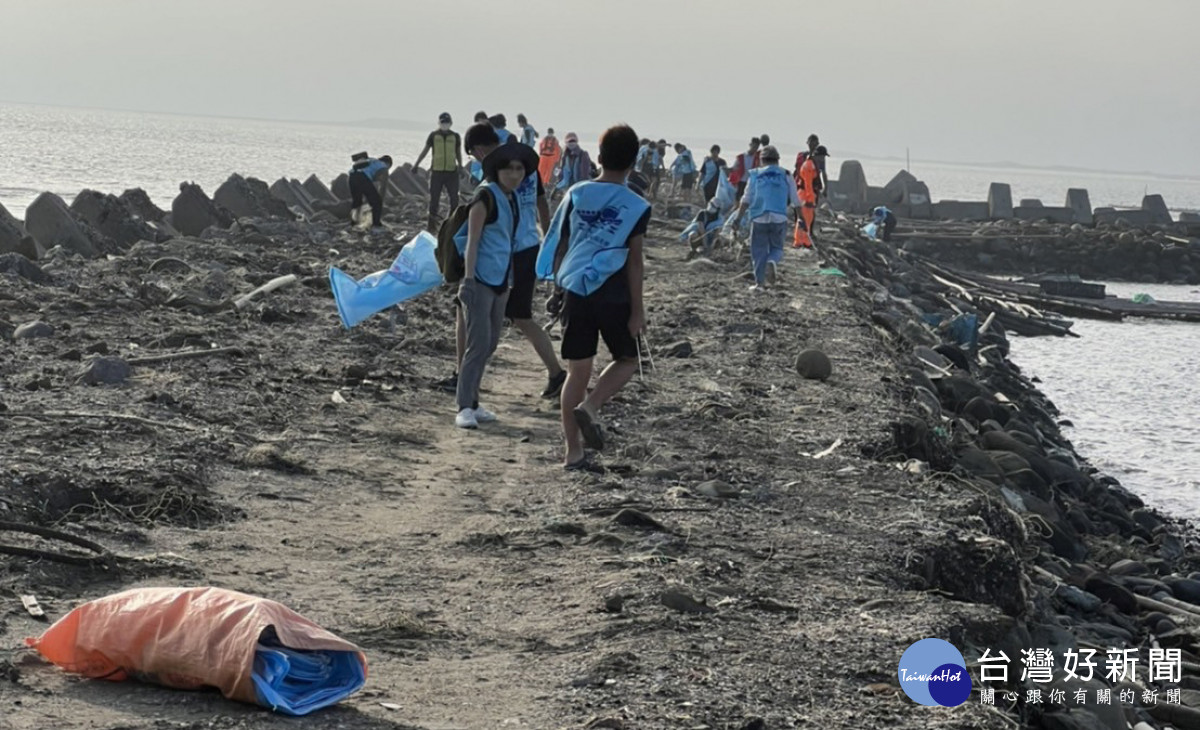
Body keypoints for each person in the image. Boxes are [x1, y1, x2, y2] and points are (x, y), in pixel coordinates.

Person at [537, 124, 651, 470]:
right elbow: (634, 262)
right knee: (628, 360)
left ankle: (573, 453)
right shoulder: (637, 205)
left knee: (577, 372)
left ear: (598, 158)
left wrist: (557, 287)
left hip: (576, 290)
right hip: (613, 293)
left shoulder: (577, 193)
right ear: (633, 163)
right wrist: (638, 310)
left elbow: (561, 244)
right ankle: (591, 406)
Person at [450, 125, 532, 429]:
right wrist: (468, 282)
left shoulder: (511, 198)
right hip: (480, 279)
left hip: (502, 281)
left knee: (491, 343)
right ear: (497, 170)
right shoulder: (485, 197)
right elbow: (472, 241)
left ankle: (474, 400)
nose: (514, 174)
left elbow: (508, 242)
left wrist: (509, 281)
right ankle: (463, 406)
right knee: (477, 344)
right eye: (509, 168)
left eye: (519, 168)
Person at [507, 137, 567, 399]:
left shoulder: (506, 180)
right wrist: (547, 240)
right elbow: (543, 207)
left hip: (514, 251)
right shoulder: (531, 176)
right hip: (530, 245)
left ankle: (556, 373)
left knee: (518, 316)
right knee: (518, 316)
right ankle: (555, 373)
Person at [725, 145, 799, 292]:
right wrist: (801, 220)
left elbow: (746, 199)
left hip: (759, 216)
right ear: (777, 160)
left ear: (761, 160)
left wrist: (738, 219)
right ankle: (772, 261)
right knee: (777, 247)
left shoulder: (755, 174)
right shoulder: (786, 174)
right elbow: (796, 200)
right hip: (779, 216)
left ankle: (759, 284)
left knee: (758, 250)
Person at [413, 112, 463, 231]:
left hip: (452, 172)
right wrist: (416, 164)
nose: (444, 124)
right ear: (439, 123)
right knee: (434, 200)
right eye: (442, 122)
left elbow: (458, 152)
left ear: (451, 123)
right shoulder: (433, 136)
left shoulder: (455, 136)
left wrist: (460, 166)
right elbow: (425, 151)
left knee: (454, 199)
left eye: (446, 122)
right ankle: (431, 226)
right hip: (437, 172)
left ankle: (452, 224)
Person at [348, 154, 393, 230]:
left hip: (351, 176)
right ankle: (376, 225)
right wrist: (380, 201)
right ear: (388, 164)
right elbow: (383, 187)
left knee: (357, 201)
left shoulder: (371, 161)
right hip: (362, 177)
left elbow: (367, 187)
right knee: (377, 202)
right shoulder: (384, 167)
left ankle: (354, 223)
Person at [793, 151, 819, 248]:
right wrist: (809, 199)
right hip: (805, 195)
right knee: (804, 219)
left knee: (806, 220)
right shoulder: (809, 166)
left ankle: (803, 240)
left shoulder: (810, 165)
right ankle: (800, 241)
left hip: (805, 194)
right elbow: (808, 183)